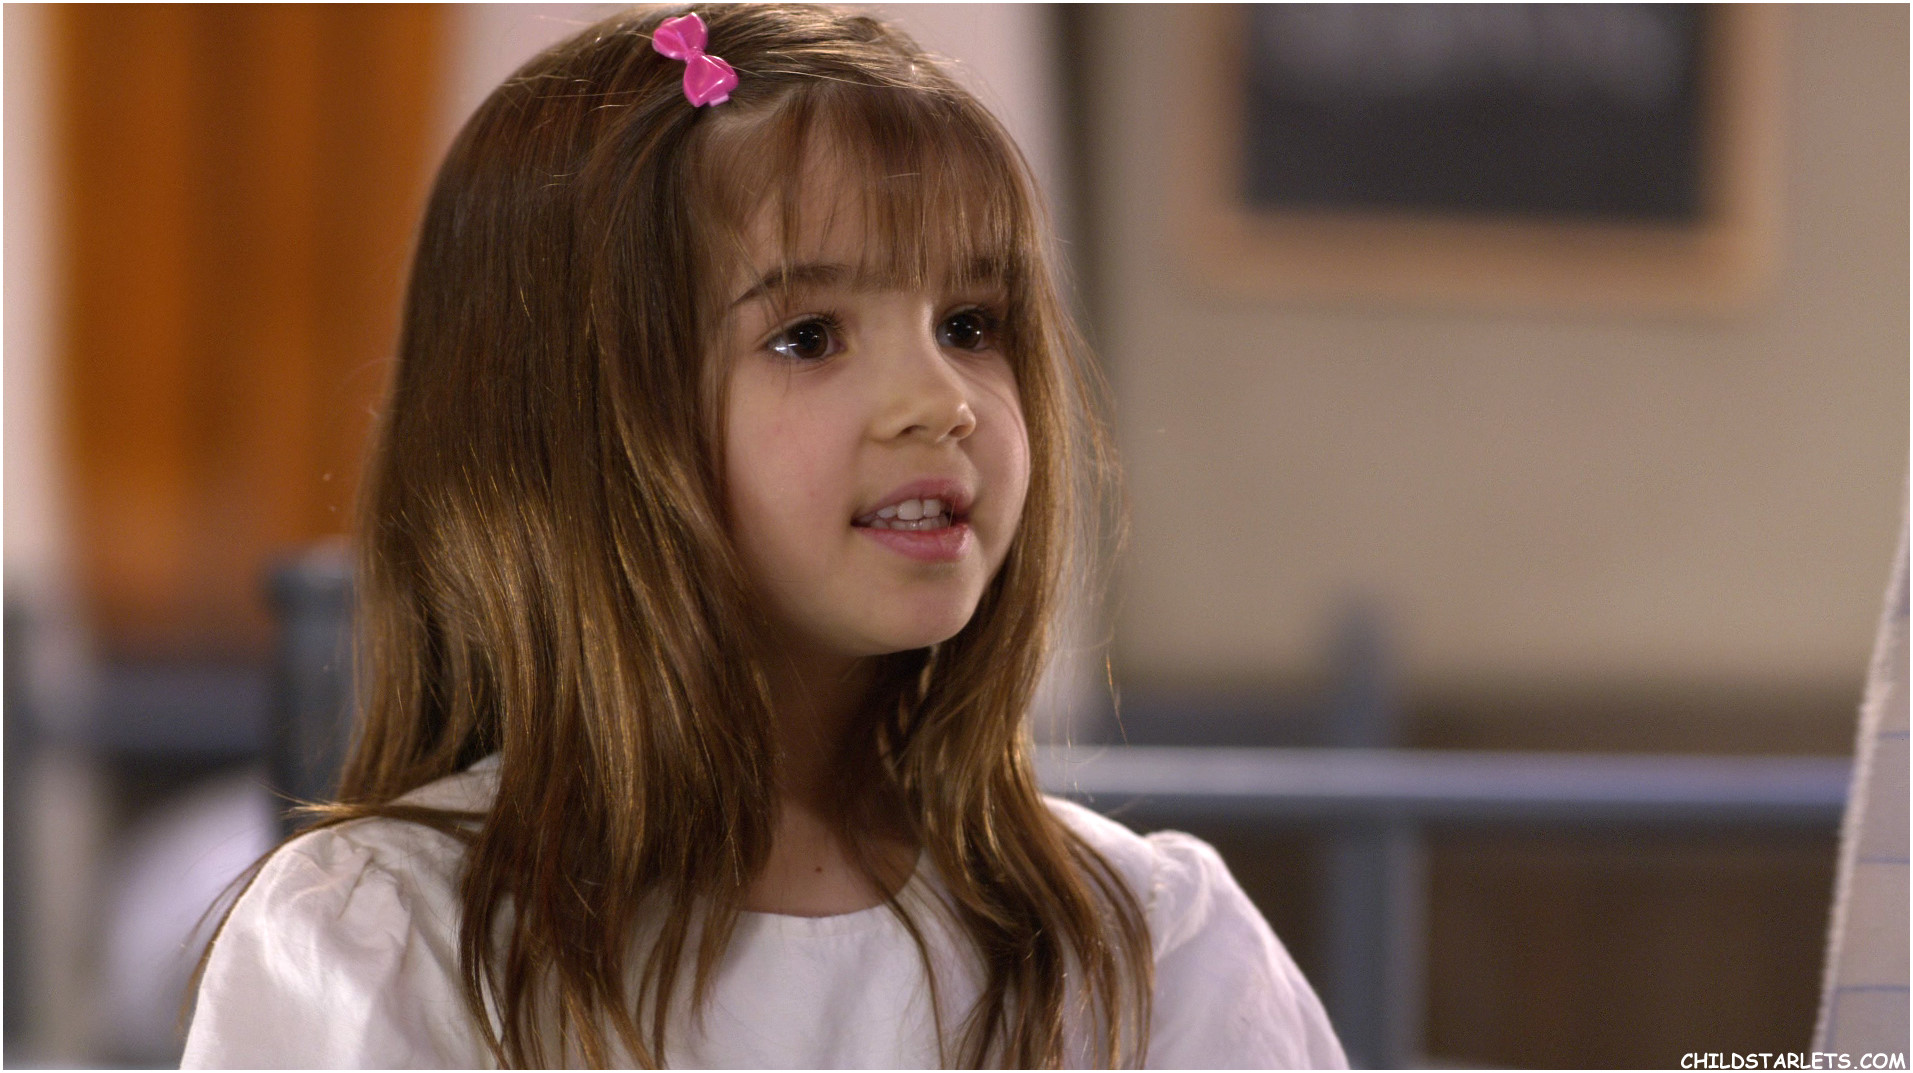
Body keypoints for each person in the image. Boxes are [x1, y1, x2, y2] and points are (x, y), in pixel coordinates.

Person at [181, 6, 1348, 1068]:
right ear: (572, 427)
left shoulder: (1151, 944)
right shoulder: (382, 941)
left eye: (969, 322)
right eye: (807, 336)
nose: (940, 399)